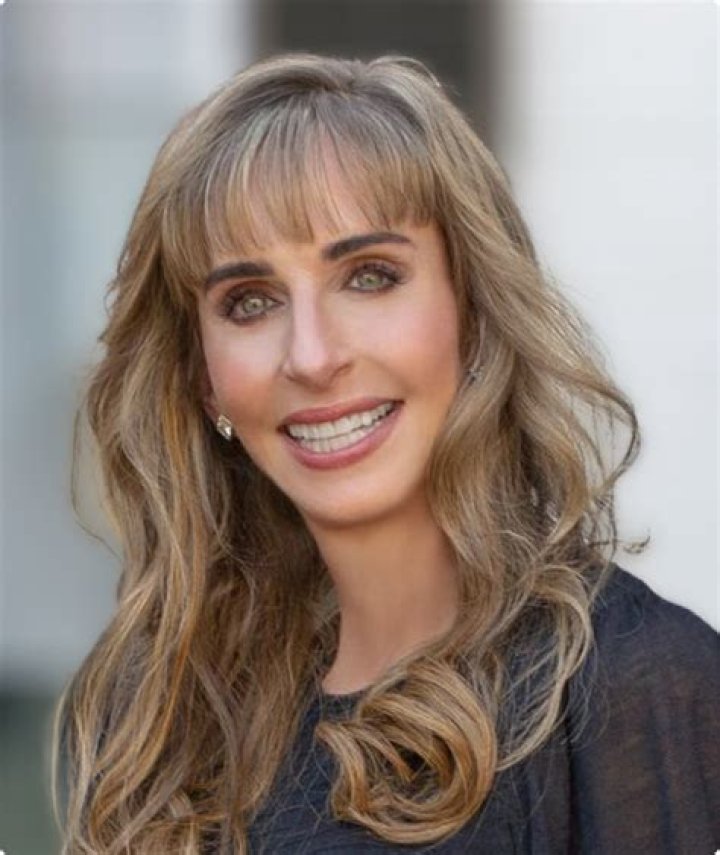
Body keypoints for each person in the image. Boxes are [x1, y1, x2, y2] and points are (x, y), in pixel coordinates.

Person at [53, 53, 718, 854]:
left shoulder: (634, 683)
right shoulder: (160, 730)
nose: (311, 356)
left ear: (474, 311)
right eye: (250, 301)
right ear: (203, 377)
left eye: (369, 276)